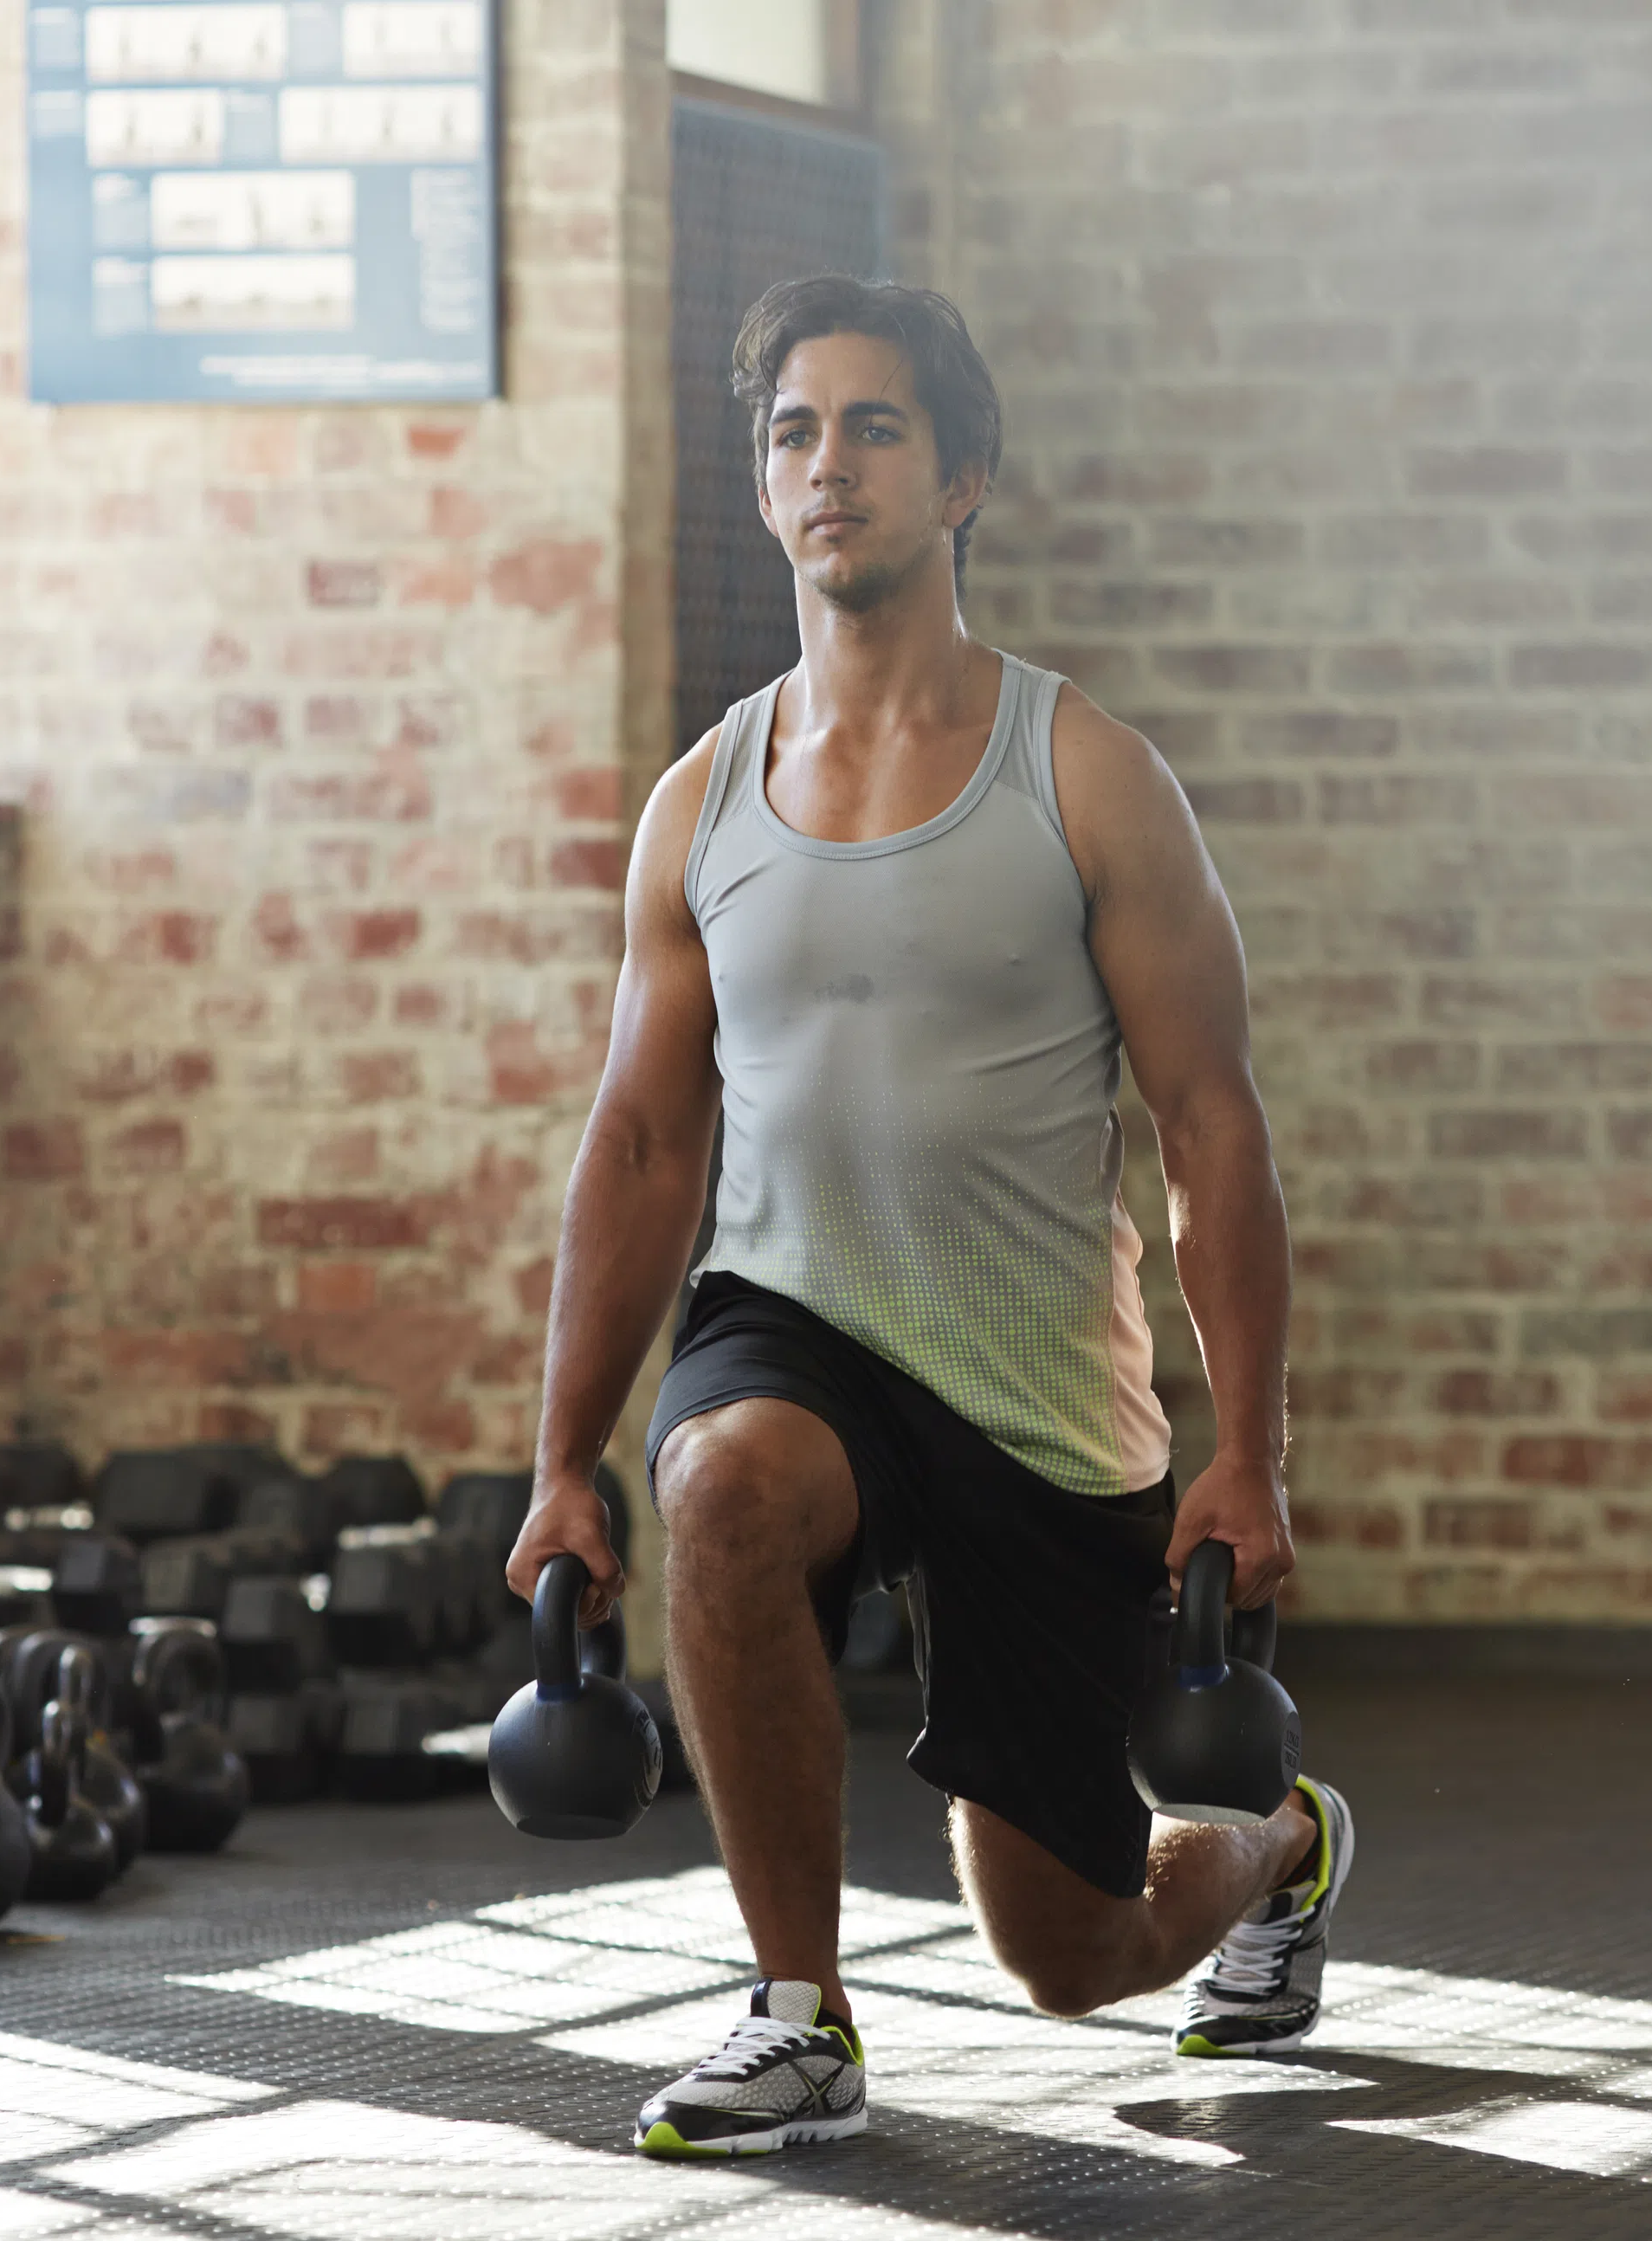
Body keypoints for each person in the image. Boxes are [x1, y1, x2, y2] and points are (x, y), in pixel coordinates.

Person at [507, 275, 1352, 2160]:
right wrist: (566, 1458)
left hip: (1040, 1394)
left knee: (1077, 1950)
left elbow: (1215, 1129)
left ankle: (1280, 1846)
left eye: (875, 428)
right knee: (721, 1481)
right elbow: (644, 1141)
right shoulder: (703, 801)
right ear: (763, 486)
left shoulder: (1090, 778)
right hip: (795, 1318)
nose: (830, 467)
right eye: (794, 433)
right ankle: (796, 2010)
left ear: (962, 476)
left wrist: (1250, 1460)